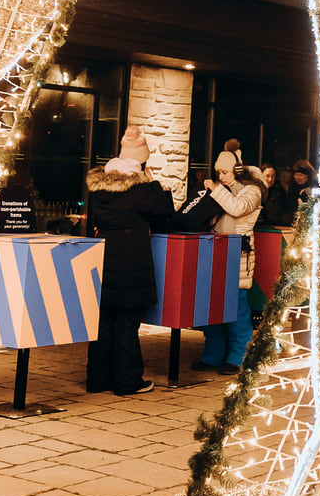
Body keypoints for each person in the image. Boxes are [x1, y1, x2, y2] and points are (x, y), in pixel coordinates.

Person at [85, 125, 175, 395]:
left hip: (104, 260)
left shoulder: (99, 189)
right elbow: (165, 211)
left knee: (103, 323)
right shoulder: (139, 190)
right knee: (126, 324)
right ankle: (127, 382)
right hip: (131, 265)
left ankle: (97, 380)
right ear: (140, 163)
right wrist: (154, 183)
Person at [193, 139, 265, 373]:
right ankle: (213, 354)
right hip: (216, 253)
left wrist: (216, 191)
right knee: (212, 307)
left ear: (236, 170)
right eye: (218, 173)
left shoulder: (252, 191)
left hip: (238, 256)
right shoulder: (221, 190)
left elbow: (236, 208)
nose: (221, 177)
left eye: (225, 172)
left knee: (237, 309)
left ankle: (238, 356)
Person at [281, 157, 319, 223]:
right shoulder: (293, 187)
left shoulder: (314, 187)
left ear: (307, 176)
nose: (297, 177)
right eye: (295, 175)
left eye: (300, 175)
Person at [259, 162, 289, 227]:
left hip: (274, 226)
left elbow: (284, 213)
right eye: (267, 176)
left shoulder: (280, 191)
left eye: (273, 176)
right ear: (261, 176)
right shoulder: (255, 190)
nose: (270, 179)